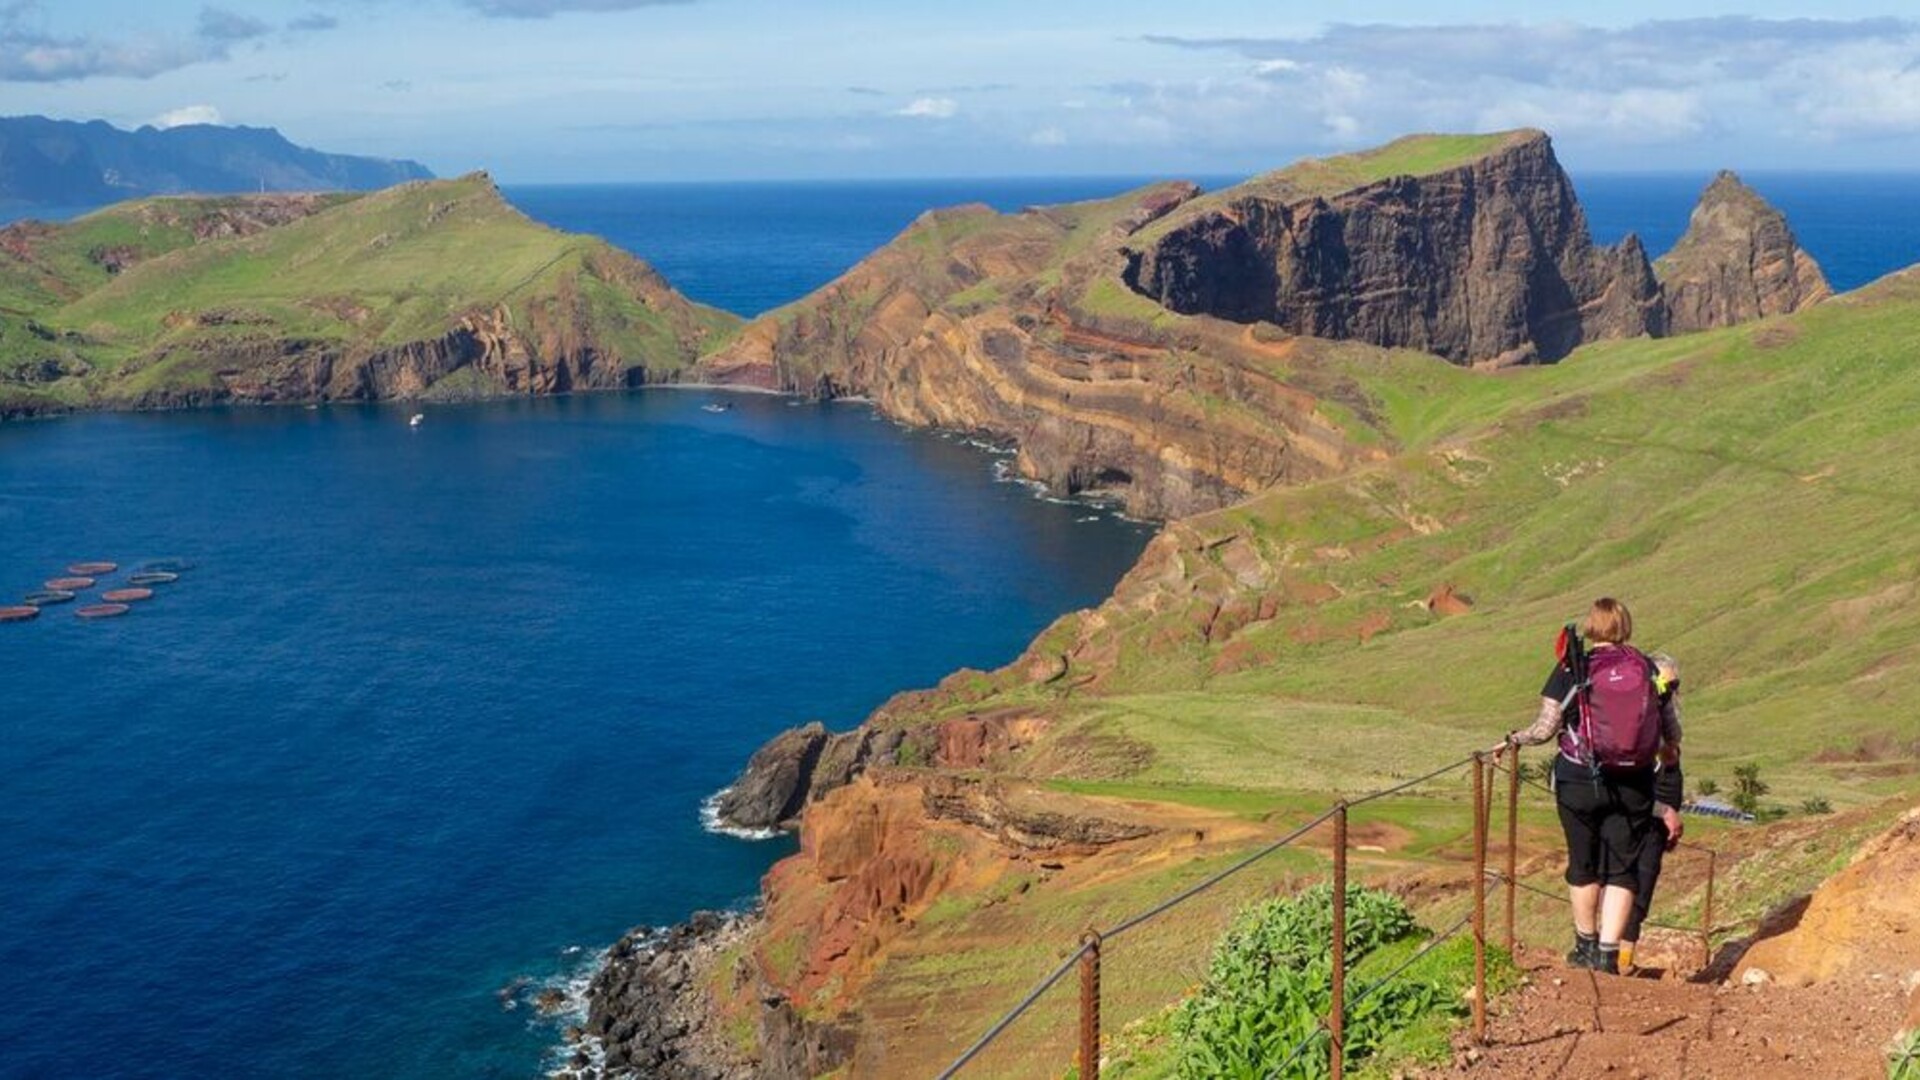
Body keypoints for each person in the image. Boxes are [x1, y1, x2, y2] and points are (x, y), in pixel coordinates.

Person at [1500, 598, 1682, 974]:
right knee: (1622, 870)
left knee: (1582, 864)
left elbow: (1545, 728)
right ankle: (1607, 955)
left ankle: (1583, 946)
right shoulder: (1648, 669)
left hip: (1578, 780)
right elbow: (1672, 732)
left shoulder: (1572, 667)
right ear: (1626, 626)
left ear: (1590, 627)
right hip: (1633, 783)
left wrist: (1512, 739)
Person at [1621, 653, 1685, 972]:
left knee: (1638, 884)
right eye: (1666, 684)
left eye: (1675, 684)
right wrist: (1664, 812)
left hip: (1656, 821)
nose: (1671, 691)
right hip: (1646, 816)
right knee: (1636, 883)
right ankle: (1617, 961)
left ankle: (1617, 958)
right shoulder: (1646, 727)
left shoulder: (1659, 724)